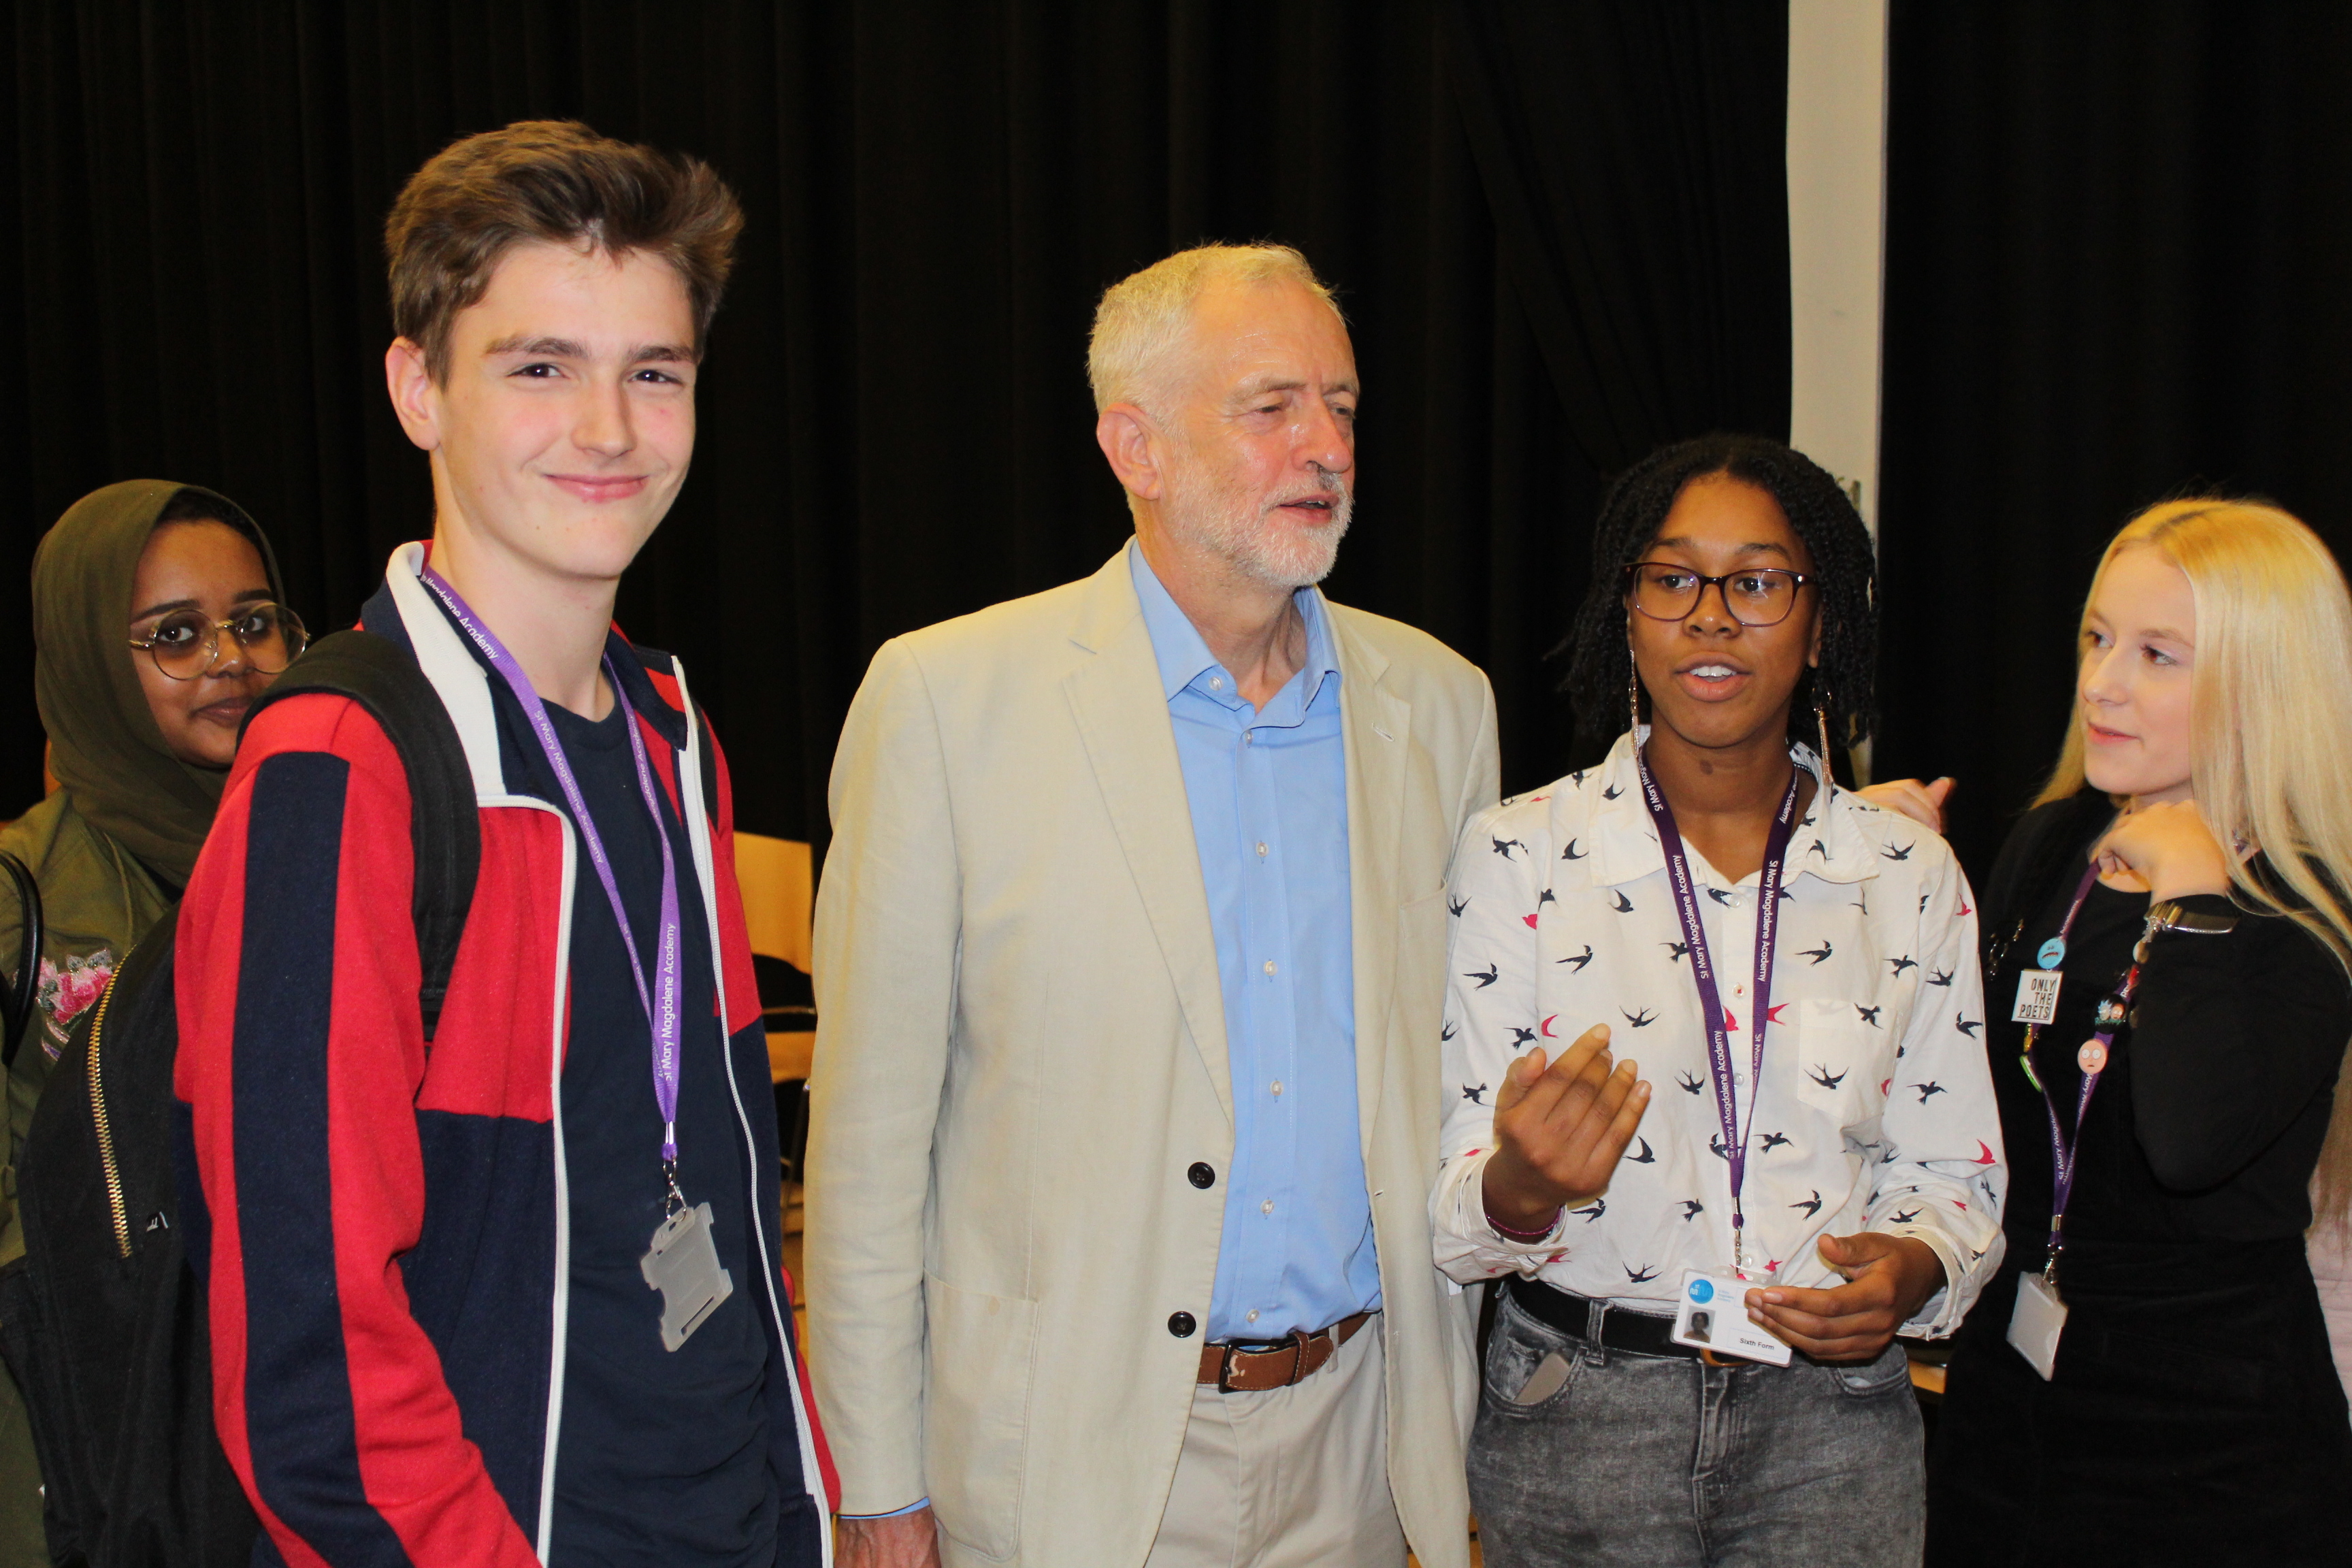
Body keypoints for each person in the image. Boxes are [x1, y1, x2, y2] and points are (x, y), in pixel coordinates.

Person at [174, 121, 831, 1567]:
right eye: (541, 367)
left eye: (652, 373)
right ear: (419, 390)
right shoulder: (342, 768)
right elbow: (314, 1373)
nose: (608, 429)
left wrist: (811, 1511)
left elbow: (719, 1186)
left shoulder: (675, 738)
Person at [808, 244, 1498, 1568]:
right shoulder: (948, 701)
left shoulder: (1440, 706)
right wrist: (879, 1485)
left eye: (1343, 407)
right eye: (1272, 407)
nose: (1325, 448)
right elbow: (869, 1147)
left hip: (1357, 1450)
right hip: (1060, 1458)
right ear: (1137, 445)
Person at [1433, 434, 2006, 1567]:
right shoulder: (1518, 854)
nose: (1709, 616)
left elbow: (1957, 1174)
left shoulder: (1906, 876)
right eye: (1671, 578)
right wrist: (1522, 1184)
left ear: (1821, 619)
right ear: (1627, 611)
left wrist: (1910, 1271)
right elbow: (1454, 1204)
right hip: (1579, 1412)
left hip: (1832, 1429)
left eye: (1756, 582)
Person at [1923, 499, 2352, 1565]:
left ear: (2265, 682)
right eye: (2098, 638)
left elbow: (2189, 1141)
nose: (2103, 683)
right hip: (2007, 1405)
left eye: (2159, 655)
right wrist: (1903, 888)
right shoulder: (2056, 838)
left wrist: (2195, 895)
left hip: (2208, 1444)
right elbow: (1982, 1094)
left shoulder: (2304, 907)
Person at [0, 478, 300, 1565]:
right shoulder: (24, 899)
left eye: (255, 621)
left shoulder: (327, 849)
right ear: (89, 660)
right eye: (173, 635)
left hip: (301, 1402)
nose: (230, 658)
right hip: (96, 1425)